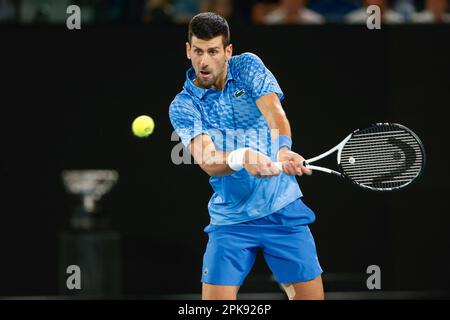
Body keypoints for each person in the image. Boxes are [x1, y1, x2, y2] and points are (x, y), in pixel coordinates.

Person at [168, 12, 324, 300]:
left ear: (228, 51)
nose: (204, 61)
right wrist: (243, 157)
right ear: (188, 50)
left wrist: (283, 149)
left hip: (283, 209)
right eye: (198, 51)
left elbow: (274, 113)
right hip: (231, 220)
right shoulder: (183, 106)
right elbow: (208, 160)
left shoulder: (248, 66)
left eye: (213, 51)